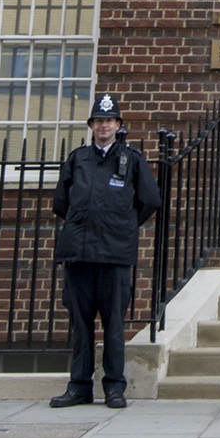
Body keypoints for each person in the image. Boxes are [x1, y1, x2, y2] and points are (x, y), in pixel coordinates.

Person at [49, 93, 161, 409]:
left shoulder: (131, 160)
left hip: (114, 257)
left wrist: (124, 227)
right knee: (81, 326)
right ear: (92, 125)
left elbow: (150, 200)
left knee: (113, 326)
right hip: (80, 256)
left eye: (109, 121)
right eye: (99, 121)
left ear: (118, 125)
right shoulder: (78, 158)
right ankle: (79, 386)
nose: (104, 126)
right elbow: (61, 202)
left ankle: (114, 387)